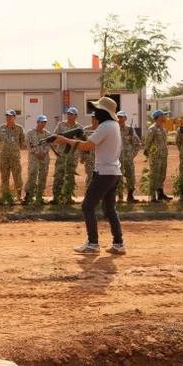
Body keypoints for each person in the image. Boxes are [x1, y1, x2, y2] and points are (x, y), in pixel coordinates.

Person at [53, 96, 125, 255]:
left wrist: (65, 140)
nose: (95, 112)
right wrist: (79, 137)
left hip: (104, 173)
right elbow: (93, 142)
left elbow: (87, 147)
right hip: (113, 173)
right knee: (110, 209)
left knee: (88, 206)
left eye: (97, 110)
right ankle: (118, 243)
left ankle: (93, 244)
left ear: (104, 112)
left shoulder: (106, 126)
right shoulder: (114, 125)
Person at [51, 107, 84, 204]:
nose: (69, 116)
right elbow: (54, 138)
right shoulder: (61, 125)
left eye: (72, 114)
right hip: (62, 154)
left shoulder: (79, 128)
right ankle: (56, 198)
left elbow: (83, 142)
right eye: (68, 114)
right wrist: (63, 140)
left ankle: (68, 197)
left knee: (70, 176)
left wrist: (82, 155)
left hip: (73, 155)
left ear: (76, 116)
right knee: (58, 175)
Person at [0, 109, 26, 204]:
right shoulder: (1, 128)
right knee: (4, 177)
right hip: (4, 157)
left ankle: (19, 195)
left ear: (14, 117)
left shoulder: (19, 129)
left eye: (10, 116)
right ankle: (5, 196)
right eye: (7, 116)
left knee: (17, 176)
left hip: (15, 157)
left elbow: (22, 142)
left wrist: (14, 150)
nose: (8, 118)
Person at [145, 110, 172, 202]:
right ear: (159, 117)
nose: (165, 117)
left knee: (162, 175)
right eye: (163, 115)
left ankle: (160, 194)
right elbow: (147, 142)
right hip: (155, 157)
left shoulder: (163, 128)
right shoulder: (152, 129)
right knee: (154, 176)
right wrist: (148, 154)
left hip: (163, 155)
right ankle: (152, 197)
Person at [24, 115, 51, 204]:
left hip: (44, 158)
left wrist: (44, 153)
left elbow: (49, 145)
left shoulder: (47, 134)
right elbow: (28, 144)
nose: (43, 124)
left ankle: (40, 196)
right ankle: (29, 196)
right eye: (41, 122)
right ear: (37, 122)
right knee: (32, 175)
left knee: (43, 176)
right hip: (34, 158)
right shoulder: (30, 133)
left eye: (44, 122)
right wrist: (36, 153)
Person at [117, 111, 141, 203]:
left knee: (130, 176)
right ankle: (120, 196)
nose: (120, 119)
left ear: (125, 118)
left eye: (122, 117)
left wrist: (132, 155)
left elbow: (137, 143)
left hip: (128, 158)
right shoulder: (114, 129)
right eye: (118, 117)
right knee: (118, 177)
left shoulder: (129, 129)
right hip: (117, 159)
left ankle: (130, 196)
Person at [79, 113, 99, 189]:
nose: (95, 120)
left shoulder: (102, 130)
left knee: (100, 177)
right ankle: (89, 195)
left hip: (100, 158)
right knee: (90, 176)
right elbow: (81, 143)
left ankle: (98, 197)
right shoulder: (86, 130)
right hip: (89, 157)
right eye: (93, 118)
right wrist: (82, 156)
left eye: (96, 118)